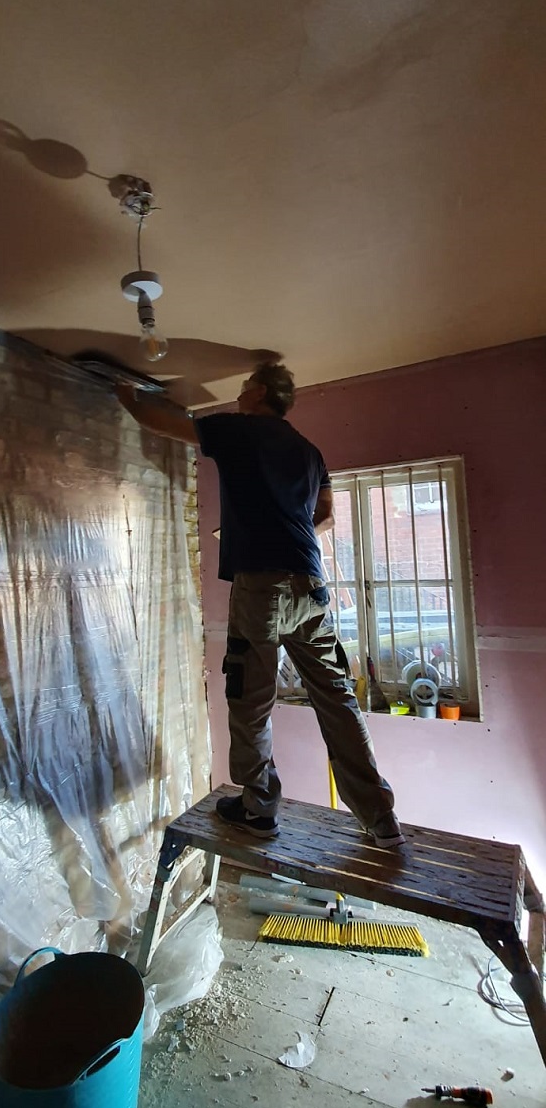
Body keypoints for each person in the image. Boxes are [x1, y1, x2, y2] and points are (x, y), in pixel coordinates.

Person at [117, 363, 404, 848]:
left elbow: (162, 423)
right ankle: (380, 819)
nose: (239, 392)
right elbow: (327, 517)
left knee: (250, 700)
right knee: (337, 700)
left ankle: (257, 809)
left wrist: (124, 395)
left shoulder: (239, 430)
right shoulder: (310, 452)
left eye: (245, 385)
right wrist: (284, 536)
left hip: (263, 589)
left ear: (261, 393)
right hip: (311, 586)